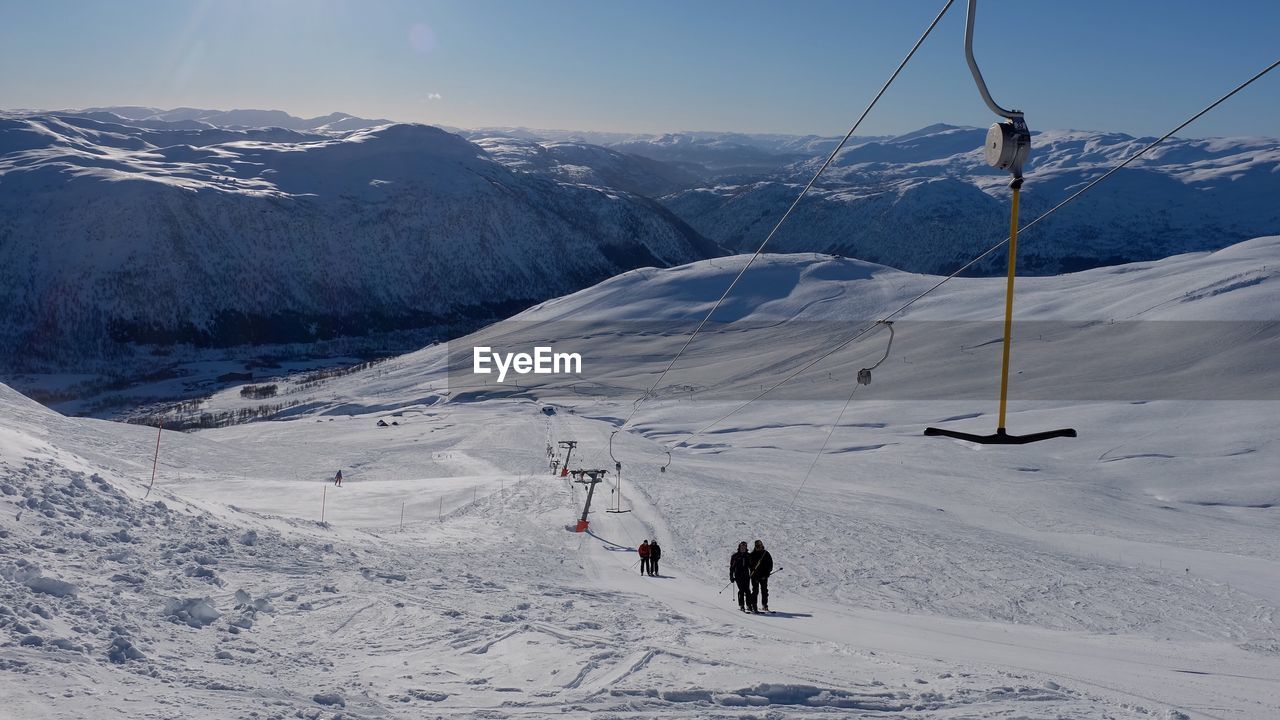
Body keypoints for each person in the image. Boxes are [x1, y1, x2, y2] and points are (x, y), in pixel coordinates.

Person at [749, 539, 773, 613]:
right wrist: (754, 574)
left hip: (764, 576)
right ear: (755, 546)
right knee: (755, 591)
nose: (759, 547)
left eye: (760, 546)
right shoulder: (752, 555)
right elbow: (751, 566)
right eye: (757, 546)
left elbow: (770, 564)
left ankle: (764, 605)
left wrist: (767, 574)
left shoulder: (766, 554)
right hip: (755, 576)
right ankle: (754, 605)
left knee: (764, 591)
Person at [730, 541, 753, 612]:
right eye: (742, 547)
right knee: (741, 590)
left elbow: (751, 566)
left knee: (748, 591)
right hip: (738, 575)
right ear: (739, 547)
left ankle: (749, 605)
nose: (743, 548)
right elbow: (732, 567)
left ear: (746, 547)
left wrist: (753, 571)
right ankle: (741, 605)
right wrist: (731, 576)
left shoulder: (748, 555)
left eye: (744, 547)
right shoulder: (735, 556)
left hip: (746, 575)